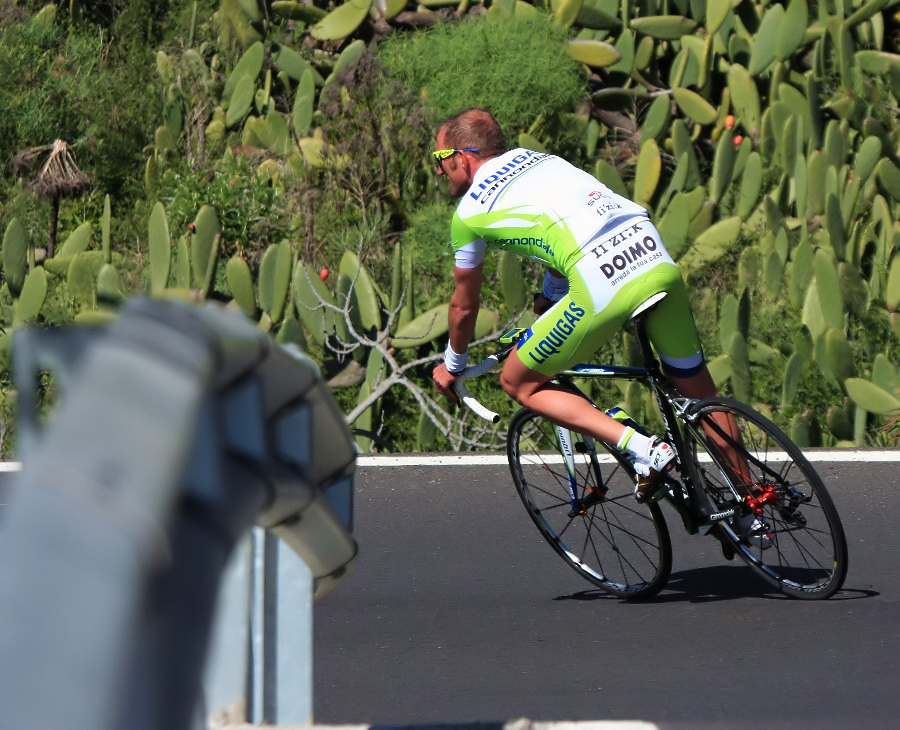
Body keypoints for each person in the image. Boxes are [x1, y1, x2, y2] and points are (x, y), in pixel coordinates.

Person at [429, 108, 730, 507]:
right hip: (653, 253)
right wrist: (552, 295)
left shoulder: (468, 214)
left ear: (462, 157)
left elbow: (464, 306)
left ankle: (643, 449)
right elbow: (568, 220)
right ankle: (752, 505)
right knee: (701, 394)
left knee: (518, 381)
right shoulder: (542, 161)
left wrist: (452, 365)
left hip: (601, 279)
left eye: (440, 160)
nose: (439, 171)